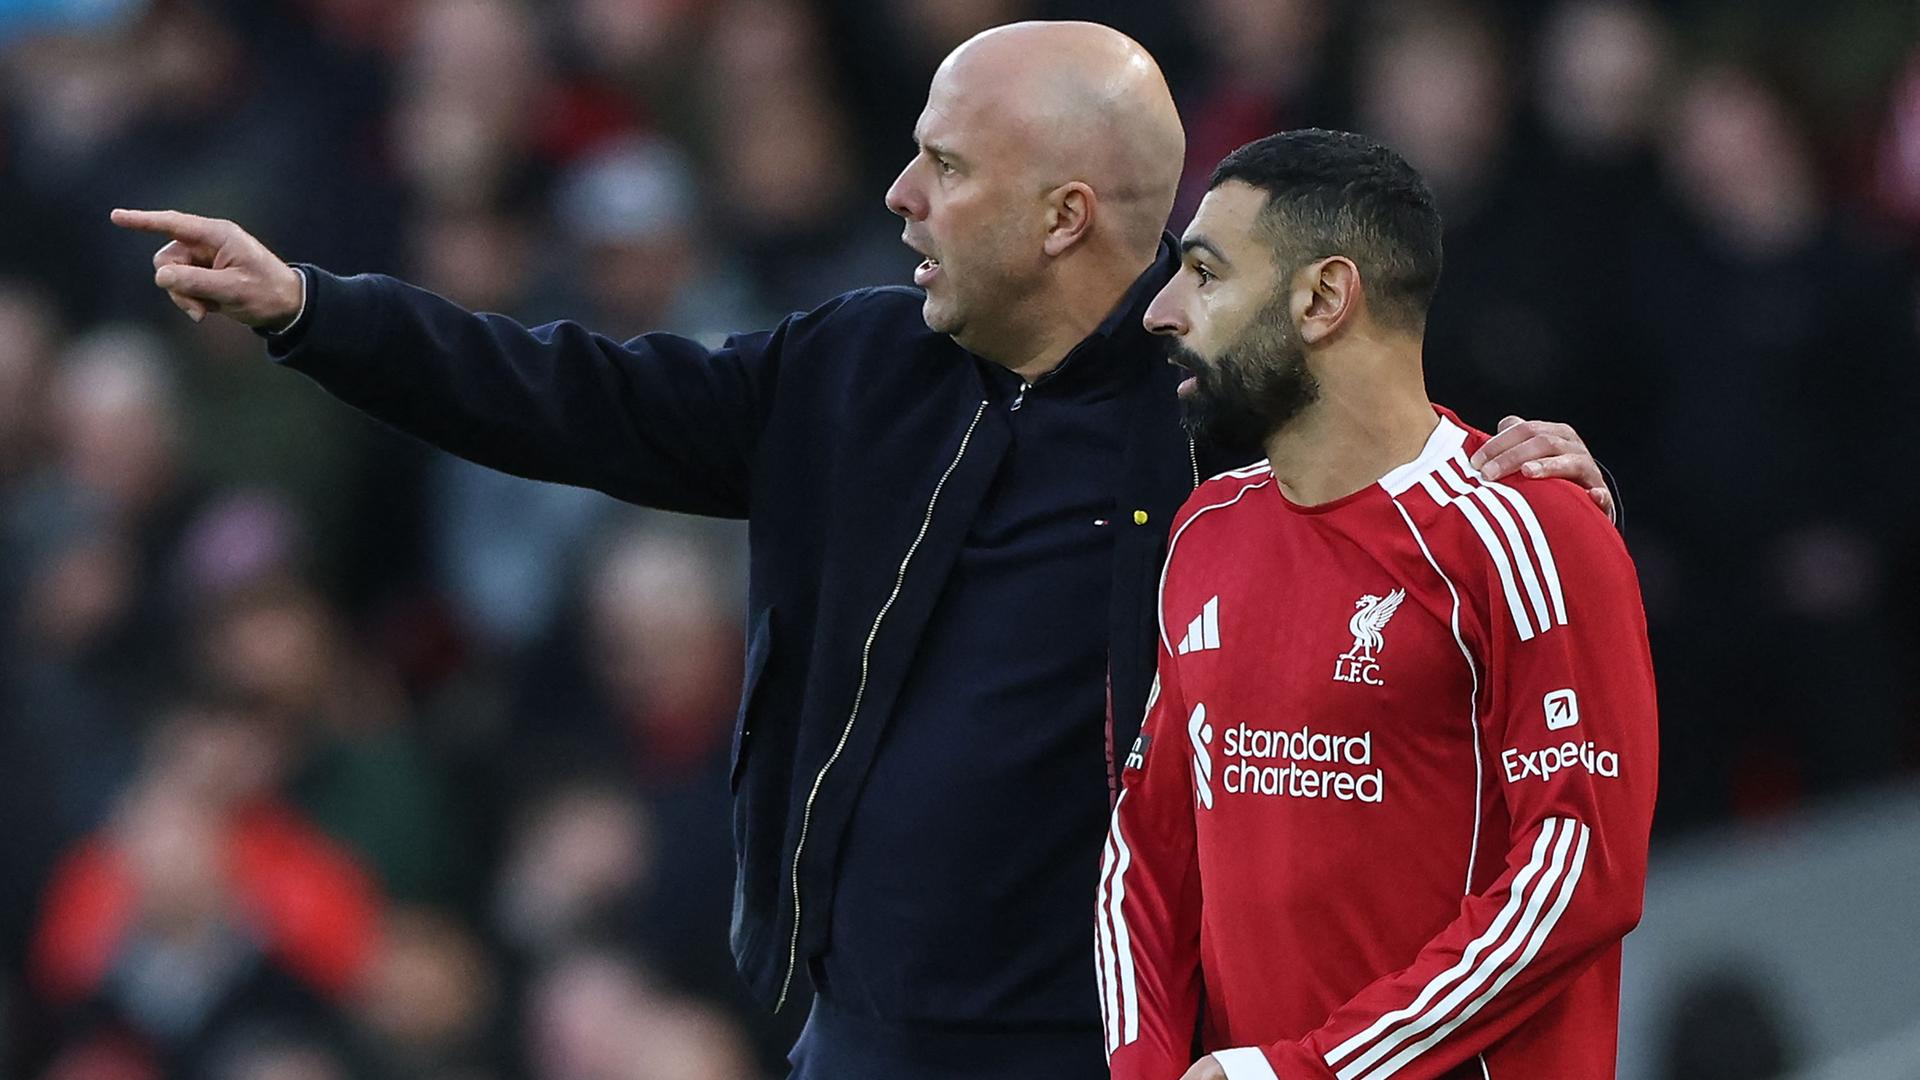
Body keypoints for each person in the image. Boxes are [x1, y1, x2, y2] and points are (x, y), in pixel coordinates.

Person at [111, 21, 1613, 1080]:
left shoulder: (1226, 409)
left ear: (1064, 217)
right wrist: (319, 310)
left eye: (944, 168)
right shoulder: (849, 366)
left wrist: (1532, 479)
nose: (899, 196)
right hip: (863, 1036)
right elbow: (583, 397)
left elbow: (1430, 504)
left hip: (1124, 1051)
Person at [1101, 130, 1656, 1080]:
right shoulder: (1202, 531)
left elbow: (1579, 879)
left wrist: (1304, 1072)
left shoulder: (1528, 531)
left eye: (1204, 272)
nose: (1161, 310)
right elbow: (1146, 854)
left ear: (1324, 298)